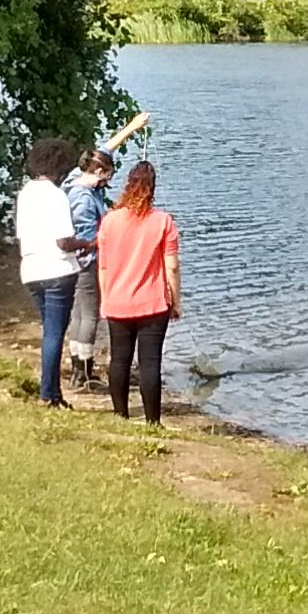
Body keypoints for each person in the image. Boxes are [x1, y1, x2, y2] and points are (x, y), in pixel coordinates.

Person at [95, 160, 181, 425]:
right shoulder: (163, 222)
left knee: (119, 359)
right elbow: (172, 268)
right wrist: (176, 302)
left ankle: (120, 415)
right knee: (149, 363)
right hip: (153, 306)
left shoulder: (109, 221)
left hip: (117, 302)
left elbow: (104, 266)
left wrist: (104, 299)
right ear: (152, 189)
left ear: (127, 185)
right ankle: (153, 422)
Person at [13, 136, 83, 407]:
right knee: (54, 334)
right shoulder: (56, 195)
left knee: (49, 331)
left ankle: (54, 394)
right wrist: (89, 243)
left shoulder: (26, 192)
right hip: (57, 269)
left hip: (31, 269)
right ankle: (47, 394)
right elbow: (64, 241)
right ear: (60, 166)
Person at [61, 146, 116, 393]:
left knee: (77, 314)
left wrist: (133, 128)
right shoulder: (83, 198)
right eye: (108, 175)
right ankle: (84, 371)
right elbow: (85, 238)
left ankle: (77, 368)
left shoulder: (73, 179)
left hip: (71, 263)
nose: (108, 181)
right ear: (98, 171)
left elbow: (103, 149)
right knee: (89, 315)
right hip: (86, 263)